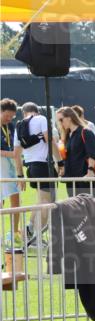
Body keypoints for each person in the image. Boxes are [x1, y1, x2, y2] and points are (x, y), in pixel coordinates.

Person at [15, 102, 55, 244]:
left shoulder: (19, 125)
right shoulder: (41, 119)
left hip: (30, 167)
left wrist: (20, 175)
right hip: (43, 165)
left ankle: (30, 230)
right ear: (36, 111)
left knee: (41, 200)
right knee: (46, 202)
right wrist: (61, 161)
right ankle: (36, 237)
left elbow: (16, 153)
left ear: (23, 112)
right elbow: (49, 139)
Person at [55, 106, 95, 198]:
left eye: (61, 119)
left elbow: (92, 153)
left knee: (87, 208)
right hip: (71, 179)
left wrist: (90, 171)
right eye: (58, 121)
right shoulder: (67, 136)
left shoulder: (85, 132)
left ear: (69, 118)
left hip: (84, 178)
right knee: (74, 209)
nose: (60, 123)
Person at [1, 98, 24, 244]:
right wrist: (12, 154)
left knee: (15, 199)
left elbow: (17, 149)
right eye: (6, 116)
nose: (9, 119)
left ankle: (14, 232)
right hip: (3, 163)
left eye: (12, 116)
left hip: (10, 163)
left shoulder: (12, 126)